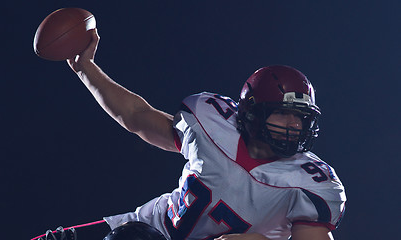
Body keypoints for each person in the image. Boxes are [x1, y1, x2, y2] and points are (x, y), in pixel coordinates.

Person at [41, 28, 347, 240]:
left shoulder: (311, 183)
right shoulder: (211, 121)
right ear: (252, 111)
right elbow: (137, 116)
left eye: (301, 118)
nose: (294, 126)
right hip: (149, 229)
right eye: (284, 113)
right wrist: (86, 69)